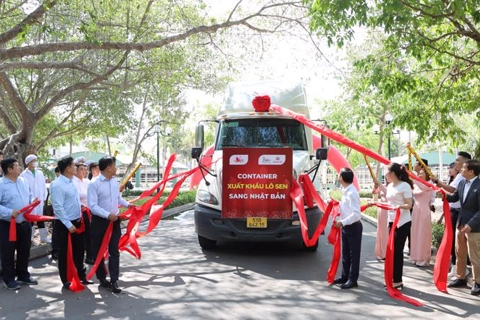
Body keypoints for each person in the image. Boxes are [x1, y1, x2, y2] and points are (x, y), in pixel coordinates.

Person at [88, 156, 134, 293]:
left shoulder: (114, 181)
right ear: (108, 167)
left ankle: (114, 280)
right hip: (100, 222)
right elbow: (92, 205)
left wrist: (127, 204)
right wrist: (107, 215)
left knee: (114, 250)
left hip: (114, 222)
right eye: (114, 165)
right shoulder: (94, 184)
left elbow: (118, 198)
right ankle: (102, 278)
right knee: (99, 251)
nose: (116, 168)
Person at [50, 157, 93, 289]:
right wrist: (69, 225)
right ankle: (66, 280)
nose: (76, 167)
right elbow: (58, 207)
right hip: (64, 224)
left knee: (79, 251)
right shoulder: (57, 184)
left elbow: (73, 201)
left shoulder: (71, 182)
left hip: (77, 221)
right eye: (74, 166)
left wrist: (81, 209)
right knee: (64, 254)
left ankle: (81, 275)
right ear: (68, 168)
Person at [0, 158, 38, 290]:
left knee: (24, 251)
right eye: (16, 166)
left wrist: (32, 203)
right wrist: (9, 212)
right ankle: (9, 279)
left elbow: (29, 197)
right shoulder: (1, 185)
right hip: (7, 225)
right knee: (8, 252)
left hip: (24, 223)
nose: (19, 168)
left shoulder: (23, 181)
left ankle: (23, 275)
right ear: (9, 170)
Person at [432, 151, 471, 277]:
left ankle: (463, 271)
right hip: (457, 213)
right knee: (457, 244)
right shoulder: (461, 178)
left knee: (467, 247)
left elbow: (452, 191)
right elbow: (453, 196)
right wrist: (443, 195)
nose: (455, 164)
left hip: (464, 215)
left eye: (458, 161)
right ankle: (458, 270)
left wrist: (438, 183)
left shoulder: (466, 179)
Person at [446, 159, 480, 296]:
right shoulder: (461, 182)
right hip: (460, 223)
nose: (461, 170)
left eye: (464, 168)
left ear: (472, 171)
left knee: (474, 256)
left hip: (474, 227)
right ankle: (460, 277)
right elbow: (454, 198)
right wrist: (444, 195)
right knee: (460, 252)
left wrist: (471, 225)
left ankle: (477, 282)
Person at [381, 163, 413, 290]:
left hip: (402, 222)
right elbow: (389, 203)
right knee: (392, 251)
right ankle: (392, 277)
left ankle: (398, 280)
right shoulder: (389, 186)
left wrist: (399, 207)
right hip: (392, 221)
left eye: (387, 172)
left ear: (393, 173)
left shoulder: (404, 186)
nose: (386, 175)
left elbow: (409, 204)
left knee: (397, 251)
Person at [332, 168, 362, 289]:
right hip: (346, 227)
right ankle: (345, 276)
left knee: (354, 255)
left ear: (342, 178)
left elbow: (356, 214)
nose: (338, 177)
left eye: (339, 175)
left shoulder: (352, 193)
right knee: (345, 254)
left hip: (353, 227)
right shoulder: (346, 191)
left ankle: (353, 279)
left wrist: (342, 222)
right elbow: (346, 210)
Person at [20, 154, 49, 244]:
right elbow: (25, 189)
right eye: (34, 161)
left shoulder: (40, 173)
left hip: (40, 200)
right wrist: (31, 199)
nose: (36, 162)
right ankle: (30, 238)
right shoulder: (23, 175)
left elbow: (43, 186)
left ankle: (44, 238)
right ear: (29, 163)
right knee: (31, 219)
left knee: (40, 218)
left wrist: (44, 197)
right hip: (31, 201)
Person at [410, 169, 435, 267]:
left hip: (424, 210)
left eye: (422, 173)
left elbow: (422, 186)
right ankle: (415, 256)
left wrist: (414, 177)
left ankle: (423, 258)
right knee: (415, 232)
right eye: (419, 173)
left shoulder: (429, 184)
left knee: (423, 233)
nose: (420, 175)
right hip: (416, 210)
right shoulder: (416, 184)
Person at [72, 161, 94, 265]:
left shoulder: (87, 182)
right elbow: (77, 197)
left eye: (85, 170)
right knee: (81, 237)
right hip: (79, 212)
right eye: (81, 169)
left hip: (90, 211)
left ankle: (90, 256)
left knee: (90, 235)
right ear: (75, 170)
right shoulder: (72, 182)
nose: (84, 172)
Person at [372, 180, 388, 260]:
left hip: (389, 211)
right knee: (381, 231)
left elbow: (388, 194)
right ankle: (381, 252)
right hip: (381, 210)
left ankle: (387, 252)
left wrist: (380, 185)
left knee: (386, 232)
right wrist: (375, 186)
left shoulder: (394, 187)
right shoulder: (384, 185)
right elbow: (374, 192)